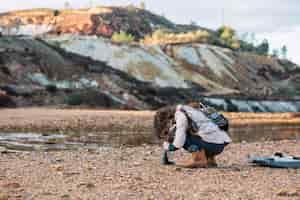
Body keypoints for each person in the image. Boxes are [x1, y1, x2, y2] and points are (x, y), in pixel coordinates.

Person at [155, 103, 231, 168]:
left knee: (186, 137)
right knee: (200, 133)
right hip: (221, 145)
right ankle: (211, 160)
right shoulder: (195, 110)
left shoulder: (180, 114)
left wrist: (168, 147)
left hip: (212, 145)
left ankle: (199, 160)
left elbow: (179, 142)